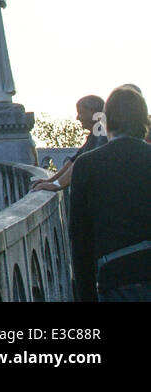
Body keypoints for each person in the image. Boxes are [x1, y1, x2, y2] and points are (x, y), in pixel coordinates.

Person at [70, 85, 151, 301]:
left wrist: (86, 296)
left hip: (117, 278)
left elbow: (80, 241)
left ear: (107, 120)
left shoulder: (86, 165)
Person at [32, 96, 107, 192]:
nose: (77, 117)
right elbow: (74, 160)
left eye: (81, 113)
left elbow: (81, 162)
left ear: (93, 113)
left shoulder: (101, 135)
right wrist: (51, 180)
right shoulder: (96, 133)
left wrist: (56, 185)